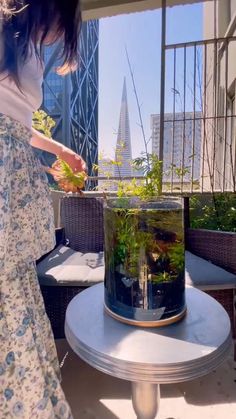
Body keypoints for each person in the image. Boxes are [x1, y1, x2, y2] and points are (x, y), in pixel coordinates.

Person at [0, 1, 86, 417]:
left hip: (13, 176)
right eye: (65, 25)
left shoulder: (27, 44)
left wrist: (61, 149)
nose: (59, 38)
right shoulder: (5, 27)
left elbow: (15, 118)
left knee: (14, 287)